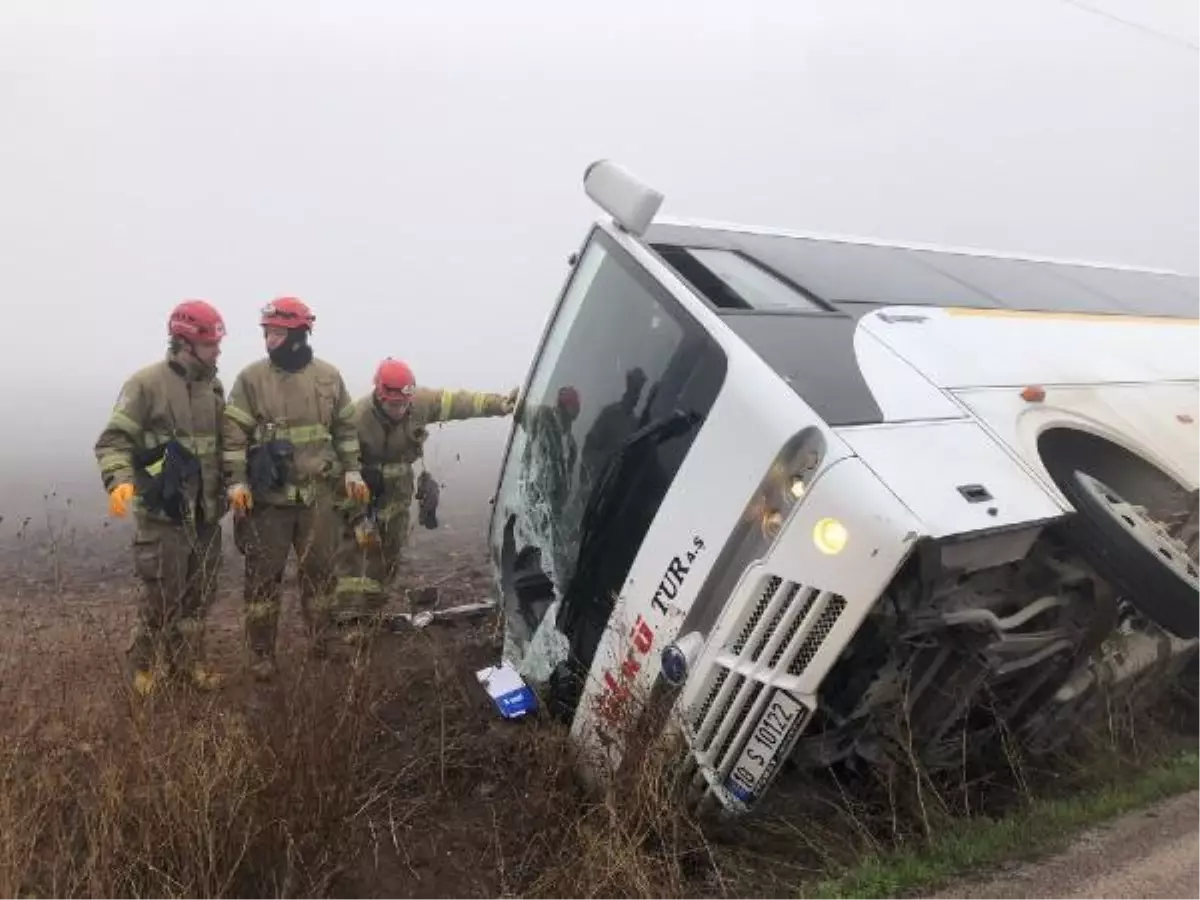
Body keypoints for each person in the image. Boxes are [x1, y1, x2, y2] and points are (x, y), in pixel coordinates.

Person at [221, 297, 369, 679]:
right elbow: (233, 434)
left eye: (276, 332)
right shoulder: (251, 379)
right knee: (262, 579)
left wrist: (352, 471)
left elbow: (346, 429)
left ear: (299, 334)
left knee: (321, 575)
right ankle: (261, 654)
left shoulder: (329, 377)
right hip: (268, 502)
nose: (268, 340)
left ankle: (324, 640)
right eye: (266, 333)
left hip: (317, 498)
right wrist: (236, 481)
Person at [93, 299, 229, 695]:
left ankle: (188, 664)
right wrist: (119, 480)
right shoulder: (145, 385)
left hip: (205, 515)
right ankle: (145, 668)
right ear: (186, 343)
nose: (218, 351)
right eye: (211, 344)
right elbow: (113, 441)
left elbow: (223, 445)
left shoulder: (213, 388)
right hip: (163, 516)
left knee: (198, 596)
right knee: (161, 595)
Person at [334, 358, 516, 635]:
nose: (399, 410)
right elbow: (339, 471)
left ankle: (372, 614)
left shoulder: (420, 402)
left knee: (389, 556)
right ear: (379, 397)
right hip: (361, 494)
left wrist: (501, 404)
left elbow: (461, 403)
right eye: (393, 405)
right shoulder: (356, 418)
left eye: (403, 404)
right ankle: (347, 621)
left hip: (398, 495)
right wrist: (358, 517)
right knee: (354, 557)